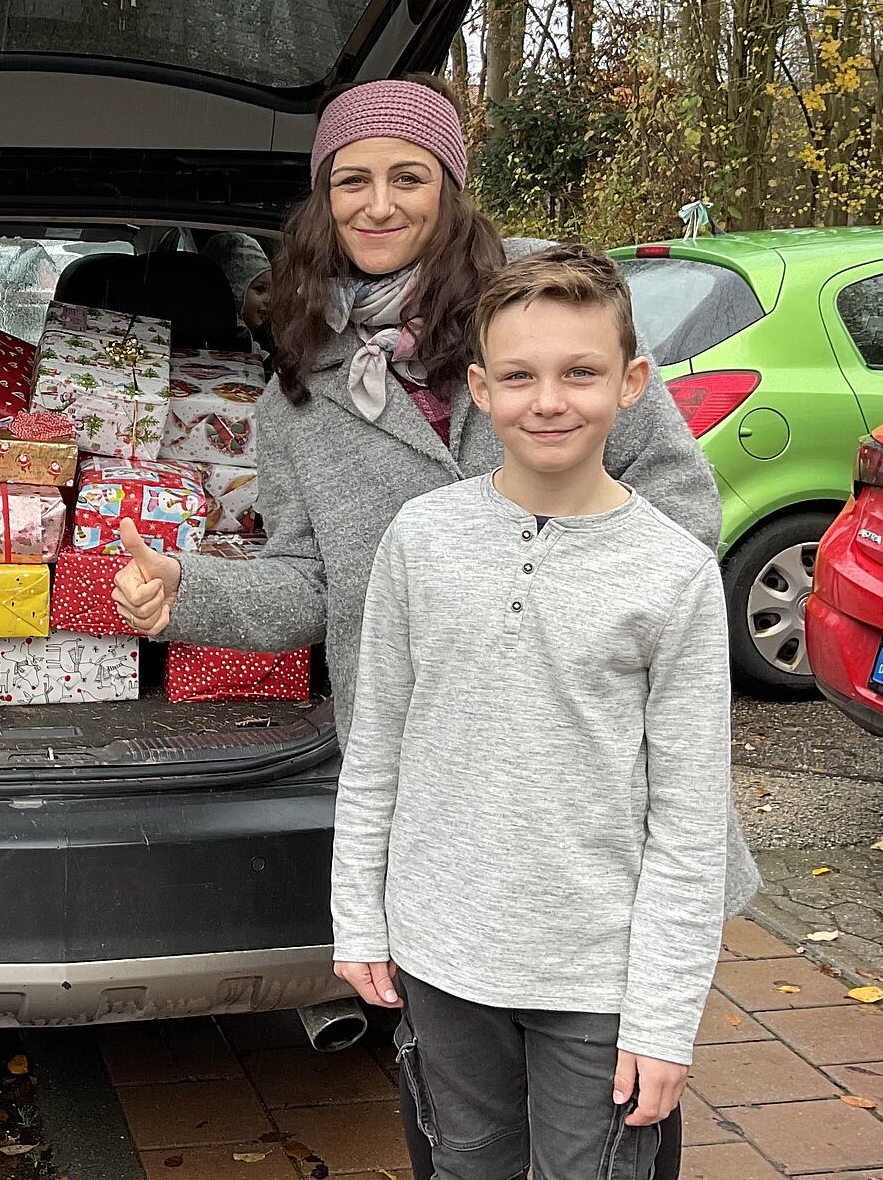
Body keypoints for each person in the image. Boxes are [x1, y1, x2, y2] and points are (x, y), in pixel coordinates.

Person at [111, 75, 758, 1180]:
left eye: (407, 176)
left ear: (450, 191)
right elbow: (311, 581)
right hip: (442, 810)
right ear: (321, 202)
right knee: (464, 1138)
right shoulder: (299, 387)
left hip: (590, 788)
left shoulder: (548, 325)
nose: (378, 203)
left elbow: (683, 515)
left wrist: (568, 599)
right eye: (350, 181)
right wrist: (194, 595)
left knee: (598, 1129)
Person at [331, 245, 728, 1179]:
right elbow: (377, 740)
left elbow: (688, 821)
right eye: (519, 375)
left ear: (633, 382)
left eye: (580, 372)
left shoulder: (673, 574)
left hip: (597, 973)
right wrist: (360, 913)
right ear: (481, 386)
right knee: (463, 1162)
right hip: (442, 952)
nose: (548, 400)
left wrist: (665, 1017)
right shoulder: (421, 539)